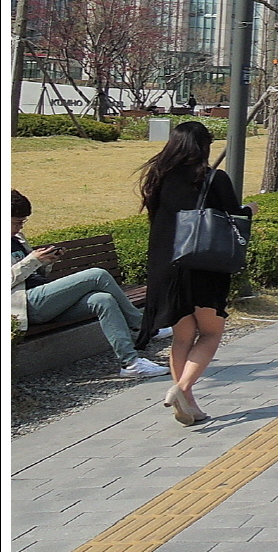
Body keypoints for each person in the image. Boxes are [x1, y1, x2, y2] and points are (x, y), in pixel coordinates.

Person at [139, 121, 255, 424]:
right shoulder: (213, 178)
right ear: (203, 146)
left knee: (182, 338)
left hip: (166, 266)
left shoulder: (157, 178)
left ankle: (188, 403)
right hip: (204, 265)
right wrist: (251, 210)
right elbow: (234, 216)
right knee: (211, 332)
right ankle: (181, 389)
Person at [11, 190, 168, 378]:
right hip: (26, 305)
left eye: (22, 222)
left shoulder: (17, 239)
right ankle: (143, 326)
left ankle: (131, 363)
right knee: (97, 275)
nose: (19, 228)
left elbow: (34, 273)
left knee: (103, 300)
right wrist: (32, 261)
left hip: (44, 299)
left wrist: (46, 262)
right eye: (16, 222)